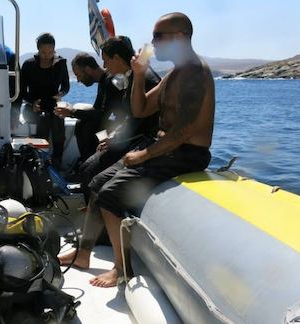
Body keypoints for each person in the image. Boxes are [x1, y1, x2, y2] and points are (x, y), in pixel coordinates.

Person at [87, 12, 215, 287]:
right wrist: (139, 74)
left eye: (159, 36)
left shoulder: (195, 72)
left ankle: (121, 269)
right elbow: (141, 108)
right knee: (96, 182)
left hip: (185, 154)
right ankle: (85, 252)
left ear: (180, 37)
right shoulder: (175, 73)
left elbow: (185, 130)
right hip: (163, 148)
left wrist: (144, 154)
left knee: (109, 195)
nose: (152, 43)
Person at [57, 36, 160, 269]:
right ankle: (90, 242)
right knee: (88, 170)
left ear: (116, 58)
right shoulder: (128, 78)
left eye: (106, 60)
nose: (105, 66)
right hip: (128, 139)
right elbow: (126, 117)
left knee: (92, 173)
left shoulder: (144, 79)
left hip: (141, 144)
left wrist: (115, 140)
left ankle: (94, 240)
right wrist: (112, 137)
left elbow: (142, 122)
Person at [54, 52, 125, 166]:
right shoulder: (103, 81)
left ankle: (92, 164)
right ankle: (86, 162)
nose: (77, 80)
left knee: (89, 127)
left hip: (118, 130)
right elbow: (97, 109)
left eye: (78, 75)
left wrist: (72, 112)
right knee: (81, 124)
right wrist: (72, 112)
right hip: (109, 125)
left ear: (87, 70)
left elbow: (103, 114)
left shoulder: (110, 82)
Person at [20, 33, 70, 168]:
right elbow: (21, 91)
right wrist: (32, 102)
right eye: (43, 52)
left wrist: (61, 93)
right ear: (38, 50)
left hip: (52, 103)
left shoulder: (60, 63)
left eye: (50, 51)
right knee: (44, 118)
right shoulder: (28, 65)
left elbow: (66, 86)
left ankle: (57, 161)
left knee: (58, 119)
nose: (47, 55)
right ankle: (40, 160)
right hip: (33, 106)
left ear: (54, 49)